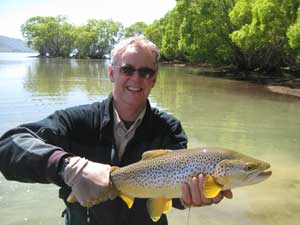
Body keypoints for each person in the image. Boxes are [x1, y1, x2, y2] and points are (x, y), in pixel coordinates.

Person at [0, 36, 232, 225]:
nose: (136, 78)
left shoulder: (169, 129)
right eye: (127, 69)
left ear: (154, 80)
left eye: (145, 72)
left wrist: (195, 195)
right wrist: (67, 167)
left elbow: (173, 196)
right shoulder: (76, 121)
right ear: (111, 73)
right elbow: (9, 145)